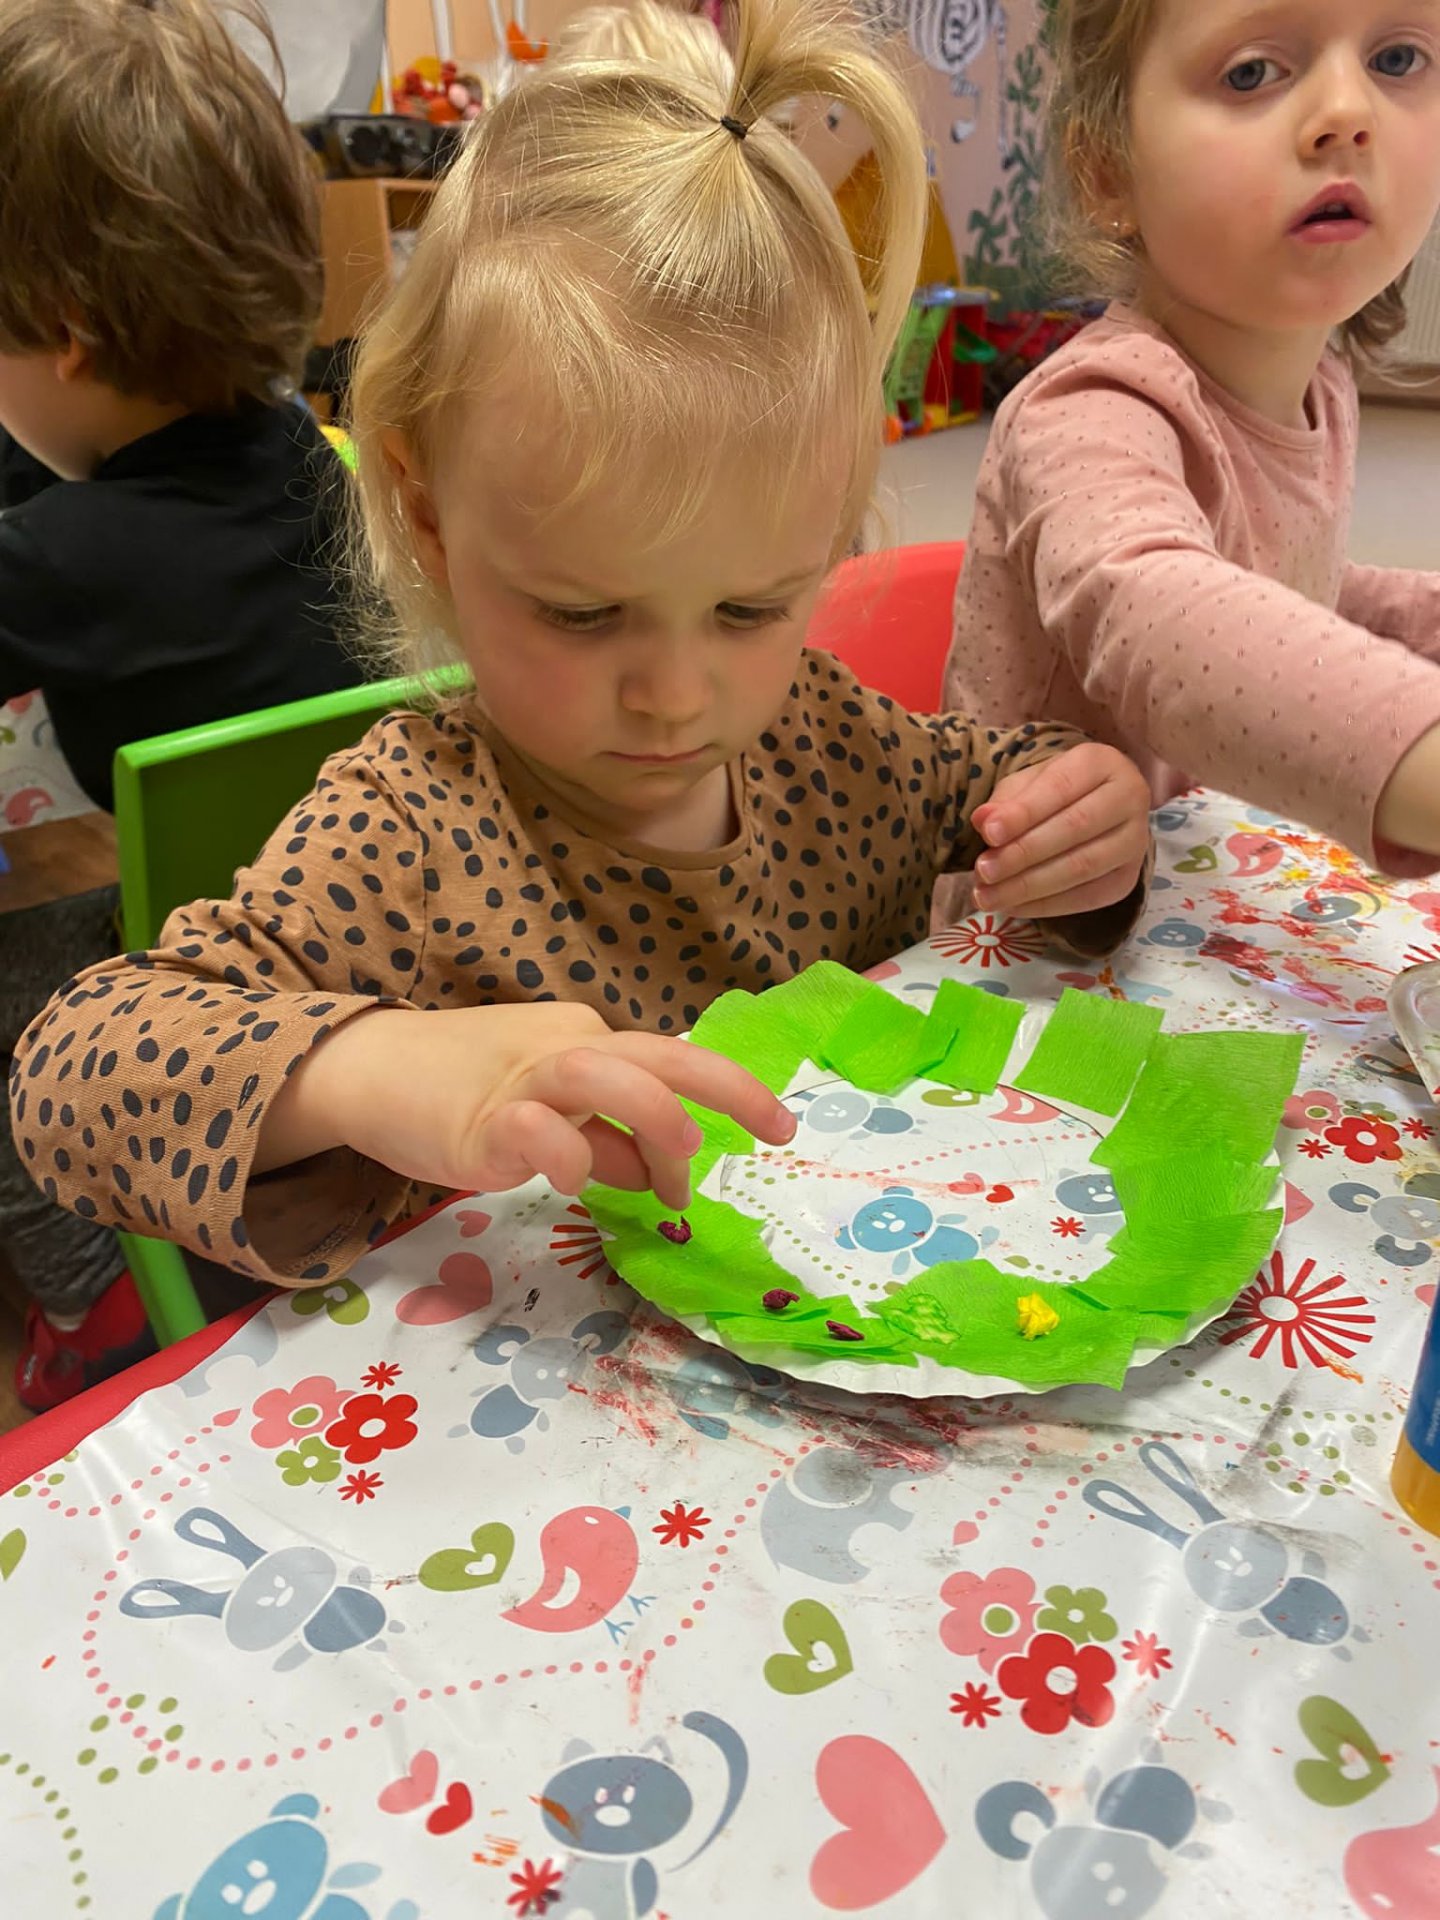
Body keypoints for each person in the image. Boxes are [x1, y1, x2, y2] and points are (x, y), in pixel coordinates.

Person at [10, 0, 1152, 1300]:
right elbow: (72, 1075)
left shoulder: (828, 745)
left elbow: (995, 781)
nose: (674, 696)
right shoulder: (416, 835)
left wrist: (1084, 817)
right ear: (430, 519)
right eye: (582, 614)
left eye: (748, 610)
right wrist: (375, 1066)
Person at [0, 0, 365, 1408]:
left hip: (195, 996)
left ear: (68, 336)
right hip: (358, 938)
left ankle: (87, 1294)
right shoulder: (310, 459)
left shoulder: (53, 564)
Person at [943, 0, 1440, 879]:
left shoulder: (1323, 386)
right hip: (1049, 939)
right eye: (1252, 72)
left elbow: (1281, 583)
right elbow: (1158, 616)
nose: (1347, 113)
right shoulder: (1087, 408)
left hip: (1214, 884)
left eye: (1397, 60)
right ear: (1107, 173)